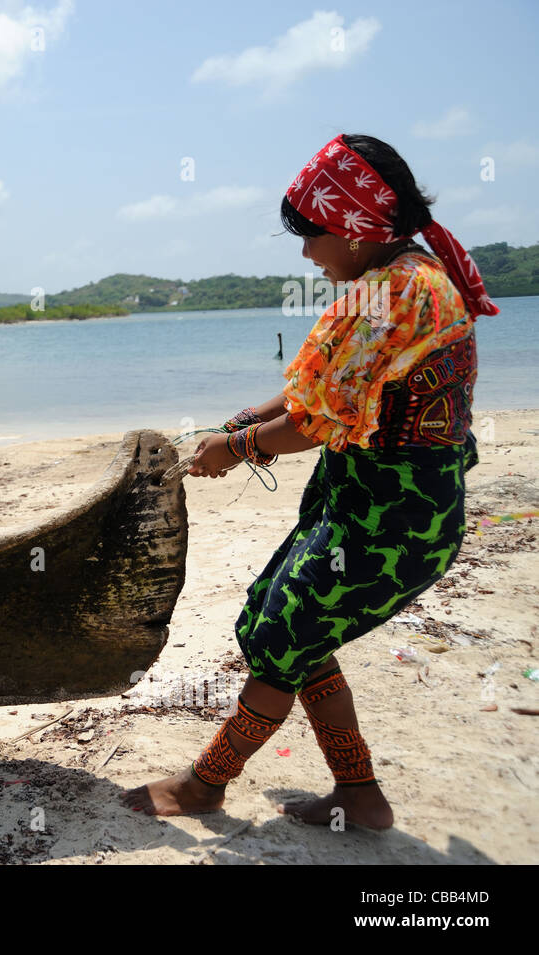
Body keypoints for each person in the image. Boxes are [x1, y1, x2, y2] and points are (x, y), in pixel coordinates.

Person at [122, 133, 498, 828]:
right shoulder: (415, 273)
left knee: (281, 640)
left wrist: (236, 447)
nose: (306, 253)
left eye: (314, 235)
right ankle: (359, 794)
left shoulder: (388, 297)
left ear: (355, 230)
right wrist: (238, 424)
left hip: (389, 521)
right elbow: (323, 396)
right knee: (282, 617)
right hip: (386, 510)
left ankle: (205, 785)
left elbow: (316, 425)